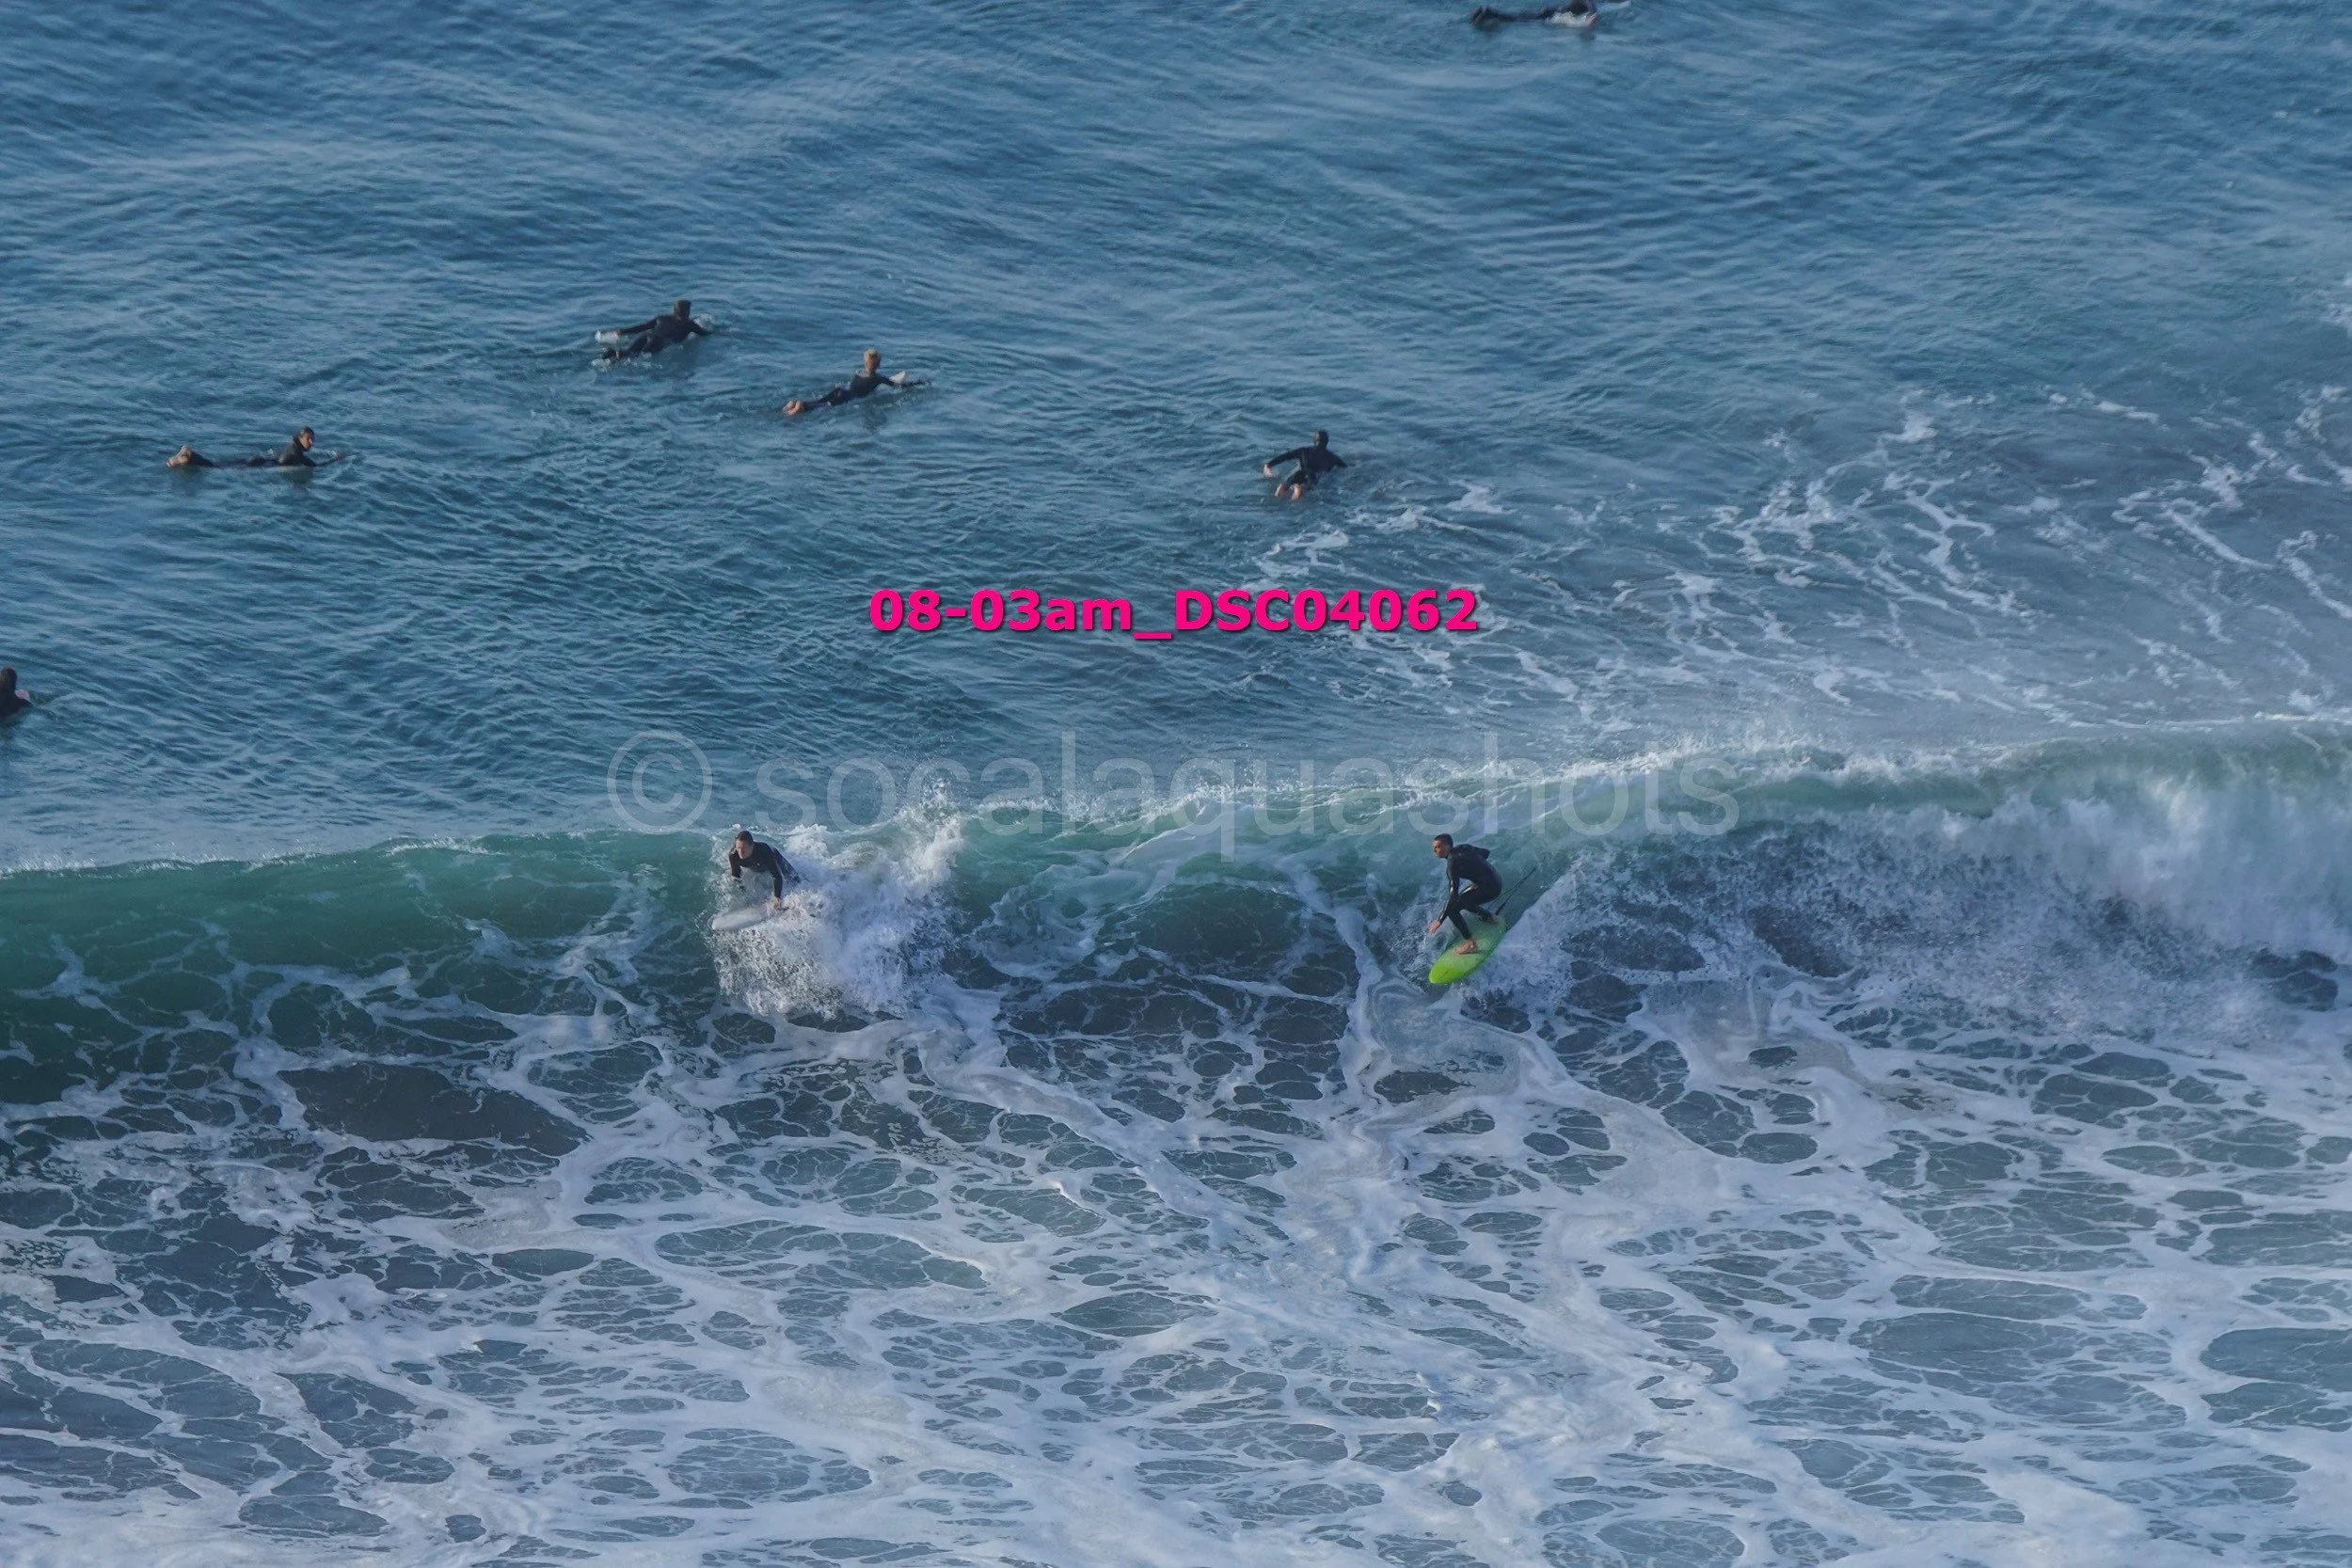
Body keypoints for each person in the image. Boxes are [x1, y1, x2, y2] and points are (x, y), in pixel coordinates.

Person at [784, 350, 927, 416]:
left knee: (819, 400)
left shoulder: (858, 372)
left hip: (841, 390)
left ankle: (795, 403)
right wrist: (918, 382)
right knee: (823, 407)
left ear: (865, 363)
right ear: (878, 365)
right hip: (848, 397)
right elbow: (898, 386)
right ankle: (800, 407)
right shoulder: (878, 378)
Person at [1426, 833, 1503, 954]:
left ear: (1447, 847)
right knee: (1463, 899)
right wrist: (1479, 874)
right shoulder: (1464, 847)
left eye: (1437, 847)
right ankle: (1488, 917)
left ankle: (1471, 944)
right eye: (1433, 847)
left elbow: (1453, 895)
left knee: (1453, 909)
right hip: (1496, 881)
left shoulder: (1452, 863)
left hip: (1489, 889)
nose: (1434, 850)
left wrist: (1440, 920)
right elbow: (1485, 853)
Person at [603, 299, 708, 362]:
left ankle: (611, 353)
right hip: (657, 342)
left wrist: (623, 331)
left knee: (628, 352)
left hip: (646, 336)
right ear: (686, 312)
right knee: (635, 357)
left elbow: (643, 327)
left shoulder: (662, 318)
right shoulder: (689, 325)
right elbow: (704, 334)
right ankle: (616, 355)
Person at [166, 429, 325, 468]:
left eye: (312, 439)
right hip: (258, 464)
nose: (311, 442)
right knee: (218, 468)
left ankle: (191, 456)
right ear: (299, 438)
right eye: (308, 439)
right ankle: (190, 457)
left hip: (259, 459)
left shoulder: (291, 447)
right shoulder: (296, 452)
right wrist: (334, 461)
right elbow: (313, 465)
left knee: (220, 465)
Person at [1263, 431, 1345, 499]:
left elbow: (1285, 456)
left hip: (1299, 472)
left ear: (1314, 441)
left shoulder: (1303, 451)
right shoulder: (1332, 457)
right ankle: (1298, 490)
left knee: (1287, 483)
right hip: (1312, 476)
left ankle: (1281, 490)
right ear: (1327, 442)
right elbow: (1345, 467)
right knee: (1304, 488)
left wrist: (1269, 464)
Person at [728, 831, 800, 906]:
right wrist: (744, 893)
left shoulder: (764, 852)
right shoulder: (733, 855)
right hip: (757, 866)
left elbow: (776, 876)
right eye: (738, 848)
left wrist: (777, 898)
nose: (740, 852)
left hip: (774, 857)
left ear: (752, 845)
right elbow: (736, 877)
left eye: (744, 848)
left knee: (794, 879)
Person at [1470, 2, 1598, 26]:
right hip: (1551, 14)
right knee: (1517, 20)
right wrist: (1592, 15)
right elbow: (1590, 4)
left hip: (1549, 12)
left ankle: (1485, 13)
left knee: (1518, 17)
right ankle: (1489, 13)